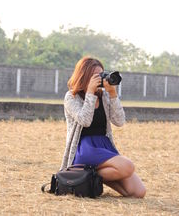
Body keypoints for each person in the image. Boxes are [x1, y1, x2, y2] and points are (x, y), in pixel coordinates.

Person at [60, 56, 146, 198]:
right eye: (96, 76)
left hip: (104, 146)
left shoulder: (104, 96)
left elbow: (119, 121)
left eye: (101, 74)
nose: (100, 79)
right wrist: (90, 93)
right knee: (128, 166)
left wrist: (112, 94)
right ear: (84, 75)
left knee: (138, 192)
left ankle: (91, 176)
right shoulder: (71, 97)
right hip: (84, 149)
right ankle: (84, 173)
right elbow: (85, 120)